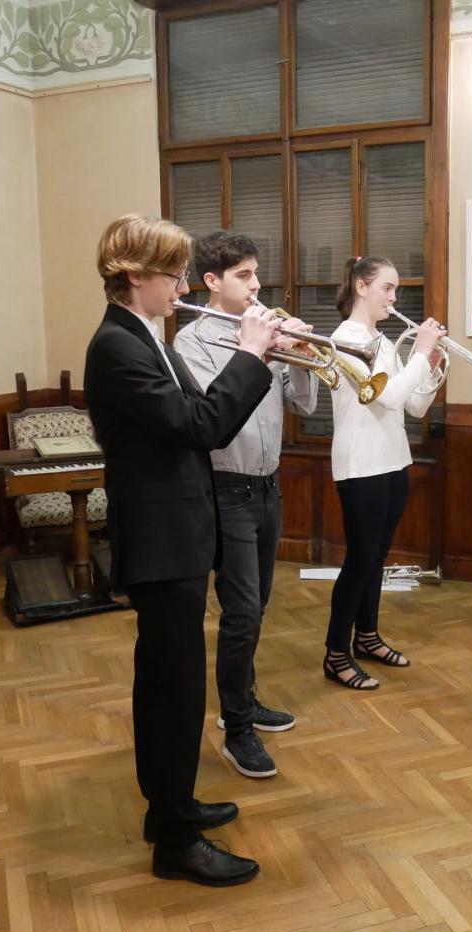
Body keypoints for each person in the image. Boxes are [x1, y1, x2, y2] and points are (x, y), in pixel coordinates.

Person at [83, 213, 283, 887]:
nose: (182, 286)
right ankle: (174, 842)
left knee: (169, 685)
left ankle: (172, 805)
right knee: (173, 691)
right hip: (161, 541)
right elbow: (203, 424)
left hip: (179, 535)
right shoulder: (116, 346)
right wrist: (250, 354)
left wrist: (258, 358)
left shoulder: (146, 336)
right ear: (134, 275)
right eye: (172, 274)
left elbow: (200, 420)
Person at [173, 233, 318, 779]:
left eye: (257, 273)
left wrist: (300, 357)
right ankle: (236, 729)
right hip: (226, 490)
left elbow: (303, 403)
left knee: (257, 609)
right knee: (239, 613)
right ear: (211, 281)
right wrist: (254, 349)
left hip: (267, 486)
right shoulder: (190, 342)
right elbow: (215, 413)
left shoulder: (267, 329)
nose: (257, 285)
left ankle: (245, 700)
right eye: (243, 275)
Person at [322, 255, 445, 691]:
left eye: (396, 290)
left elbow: (413, 406)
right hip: (361, 466)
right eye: (387, 288)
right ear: (361, 287)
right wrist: (421, 353)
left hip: (393, 461)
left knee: (377, 558)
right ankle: (336, 653)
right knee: (359, 560)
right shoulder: (343, 340)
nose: (394, 298)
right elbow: (387, 397)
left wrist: (430, 368)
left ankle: (367, 636)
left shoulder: (384, 341)